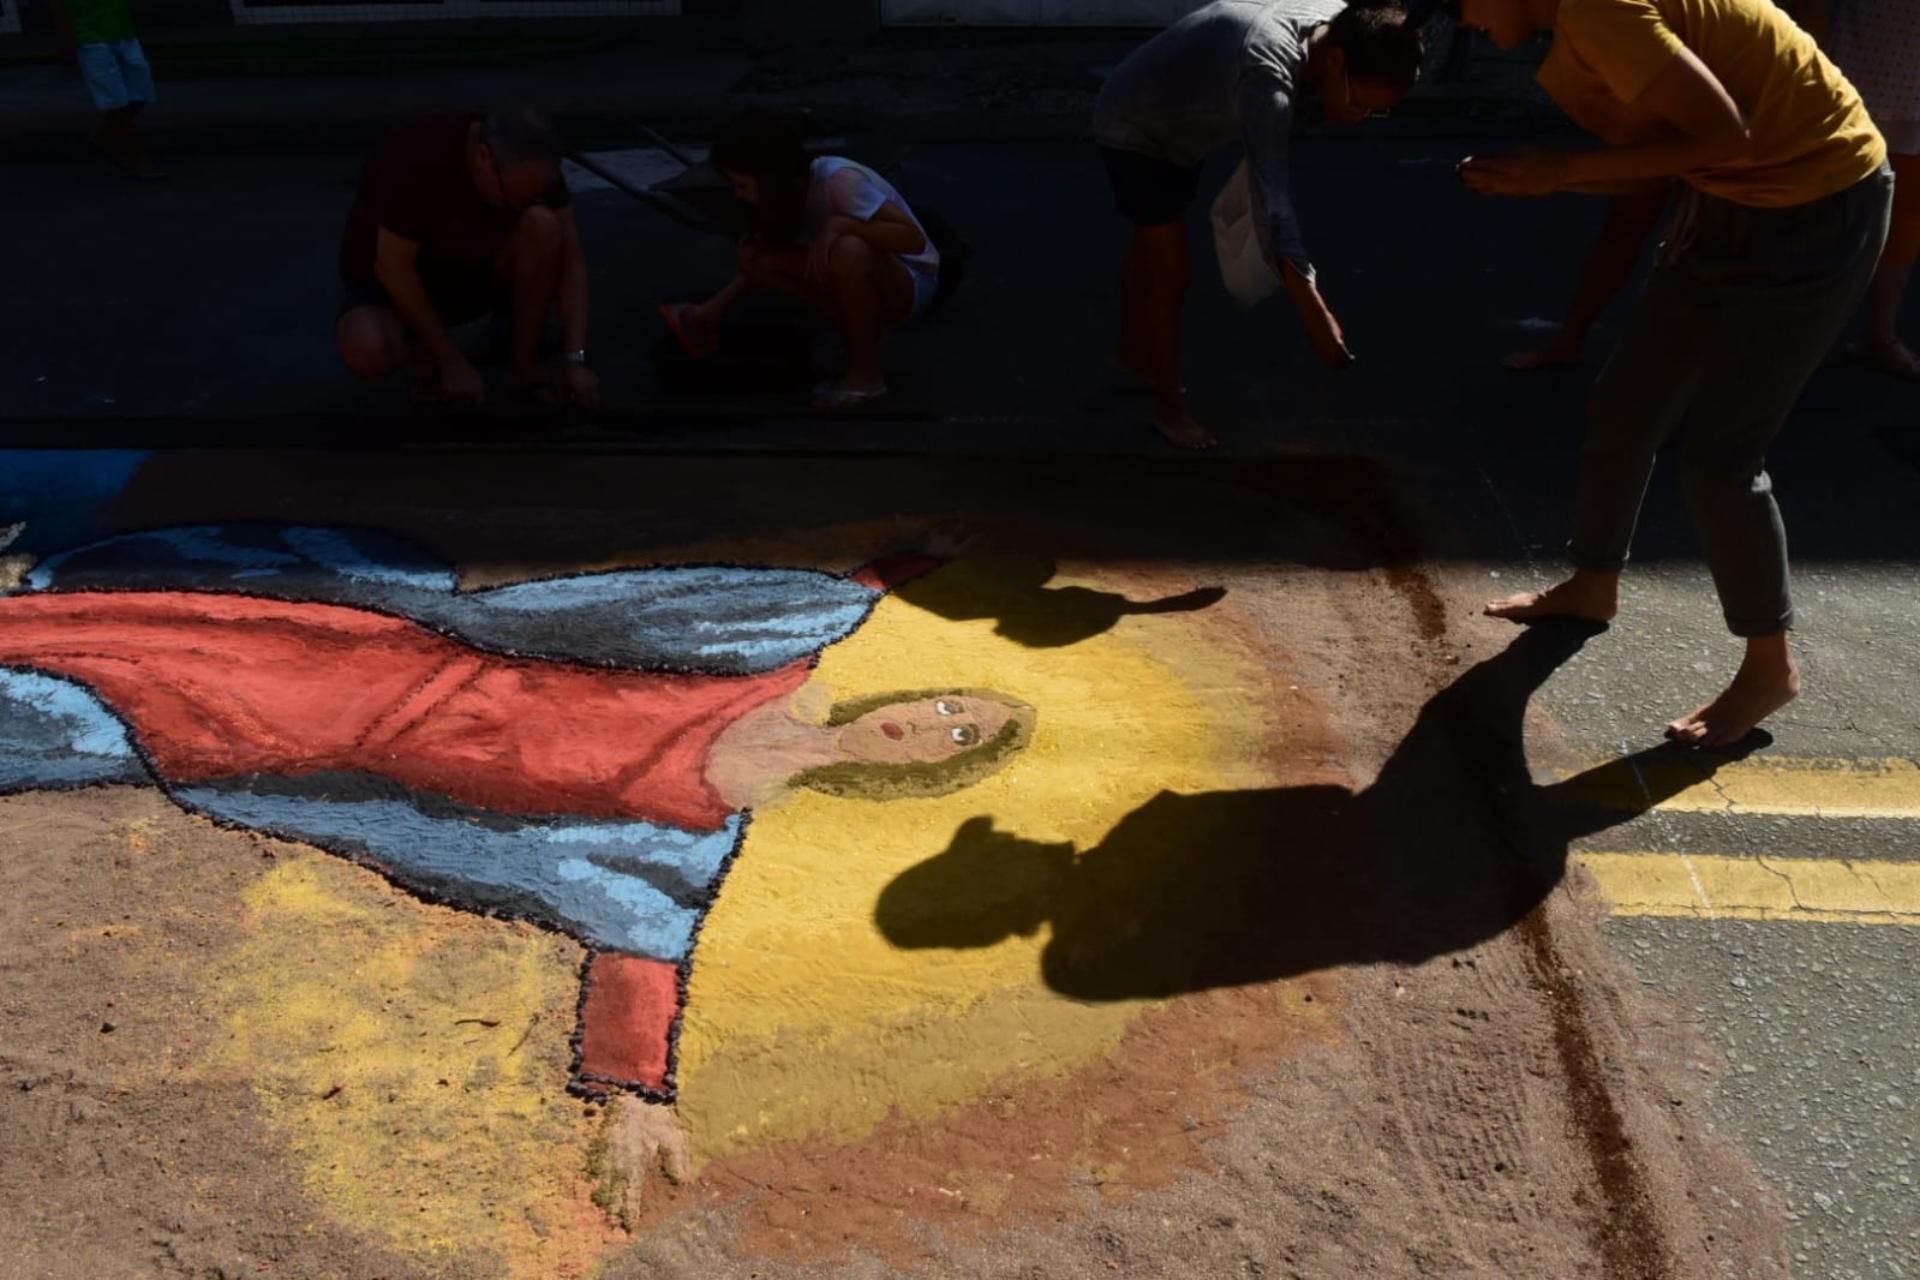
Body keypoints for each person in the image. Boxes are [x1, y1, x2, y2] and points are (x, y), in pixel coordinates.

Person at [0, 521, 1031, 1100]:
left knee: (98, 696)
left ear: (925, 775)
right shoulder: (777, 657)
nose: (931, 722)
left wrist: (630, 1093)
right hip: (383, 664)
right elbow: (775, 598)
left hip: (332, 744)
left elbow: (641, 942)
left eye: (958, 736)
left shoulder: (696, 834)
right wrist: (908, 562)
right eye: (947, 703)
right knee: (129, 630)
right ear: (906, 693)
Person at [1456, 0, 1892, 747]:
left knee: (1722, 460)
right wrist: (1542, 178)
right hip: (1726, 201)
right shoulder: (1566, 52)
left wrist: (1560, 170)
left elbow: (1727, 135)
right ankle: (1593, 587)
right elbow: (1660, 165)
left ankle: (1770, 668)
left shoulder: (1597, 11)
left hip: (1821, 200)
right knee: (1627, 404)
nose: (1461, 21)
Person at [1093, 0, 1425, 449]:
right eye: (1361, 104)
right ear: (1338, 62)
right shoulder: (1267, 72)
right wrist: (1315, 310)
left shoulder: (1342, 23)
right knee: (1172, 274)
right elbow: (1272, 201)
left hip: (1174, 120)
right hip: (1136, 127)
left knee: (1149, 243)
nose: (1358, 118)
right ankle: (1170, 412)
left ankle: (1133, 353)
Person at [661, 110, 940, 410]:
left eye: (742, 185)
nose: (737, 194)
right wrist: (711, 311)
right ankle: (861, 339)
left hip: (911, 281)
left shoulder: (837, 180)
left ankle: (866, 376)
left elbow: (912, 239)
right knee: (757, 259)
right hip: (865, 276)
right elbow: (758, 266)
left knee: (848, 250)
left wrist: (842, 225)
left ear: (769, 178)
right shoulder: (787, 198)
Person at [335, 107, 600, 408]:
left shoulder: (535, 168)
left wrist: (576, 359)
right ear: (483, 157)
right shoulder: (419, 157)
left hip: (471, 273)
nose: (518, 207)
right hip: (393, 287)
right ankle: (423, 352)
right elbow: (394, 269)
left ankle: (524, 363)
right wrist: (450, 360)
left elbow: (571, 260)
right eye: (514, 198)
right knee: (369, 350)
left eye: (529, 198)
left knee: (543, 226)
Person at [1803, 0, 1920, 381]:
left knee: (1905, 211)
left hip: (1903, 82)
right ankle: (1793, 337)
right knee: (1824, 207)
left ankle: (1879, 335)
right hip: (1858, 73)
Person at [46, 0, 160, 180]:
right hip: (89, 37)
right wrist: (67, 37)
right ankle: (136, 157)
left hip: (123, 32)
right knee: (117, 103)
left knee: (140, 92)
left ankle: (104, 134)